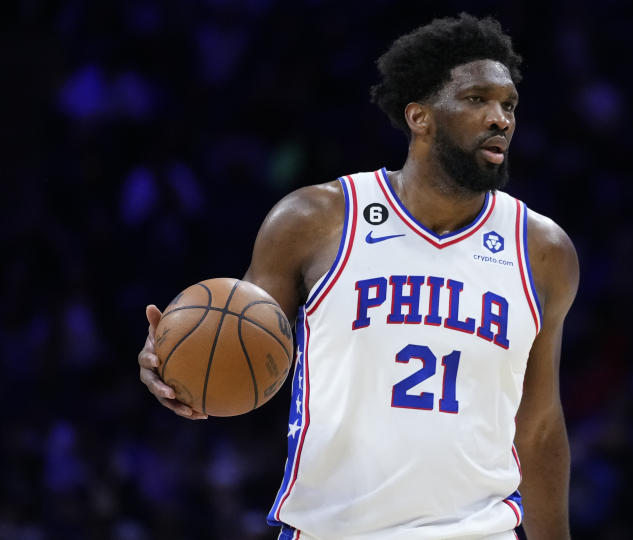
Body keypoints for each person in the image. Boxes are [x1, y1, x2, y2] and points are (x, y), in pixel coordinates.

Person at [137, 13, 579, 540]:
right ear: (420, 117)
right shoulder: (315, 220)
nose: (500, 118)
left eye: (508, 105)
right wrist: (173, 363)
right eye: (477, 99)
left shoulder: (541, 249)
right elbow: (247, 347)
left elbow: (540, 425)